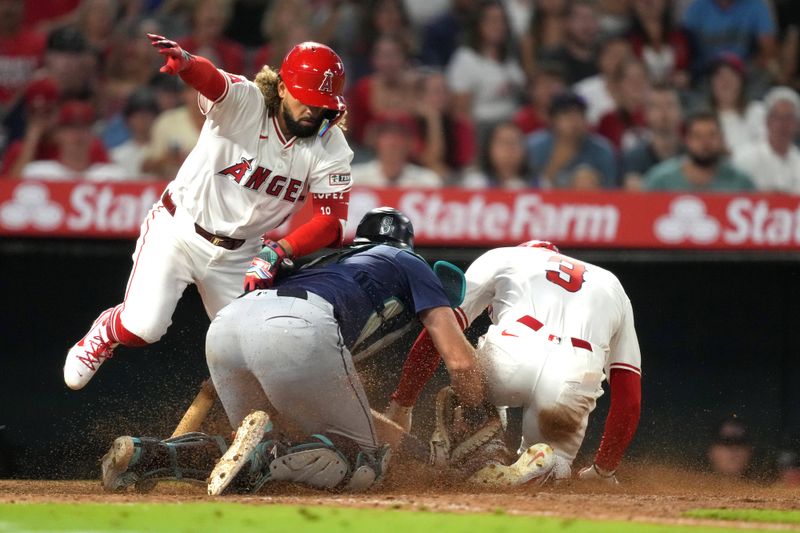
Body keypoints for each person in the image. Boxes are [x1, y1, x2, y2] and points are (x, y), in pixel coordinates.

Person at [100, 208, 496, 494]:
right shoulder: (407, 261)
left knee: (274, 439)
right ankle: (266, 459)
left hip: (228, 325)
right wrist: (473, 416)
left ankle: (149, 456)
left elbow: (349, 407)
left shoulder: (325, 262)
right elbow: (460, 362)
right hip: (299, 329)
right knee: (366, 463)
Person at [62, 37, 355, 390]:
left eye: (322, 103)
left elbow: (330, 222)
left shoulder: (330, 144)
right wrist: (187, 64)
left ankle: (249, 432)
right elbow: (213, 81)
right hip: (181, 230)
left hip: (244, 252)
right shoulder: (247, 102)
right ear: (281, 87)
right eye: (306, 99)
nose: (313, 110)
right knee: (144, 327)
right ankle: (107, 329)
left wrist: (279, 250)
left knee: (256, 354)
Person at [386, 240, 642, 485]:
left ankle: (480, 453)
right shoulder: (612, 284)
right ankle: (548, 471)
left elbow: (441, 330)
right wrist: (603, 470)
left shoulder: (504, 255)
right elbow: (629, 398)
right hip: (575, 373)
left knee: (464, 367)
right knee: (550, 465)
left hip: (512, 349)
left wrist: (403, 403)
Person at [445, 1, 524, 131]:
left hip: (513, 125)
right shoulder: (466, 59)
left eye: (502, 20)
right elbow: (461, 112)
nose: (499, 26)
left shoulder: (510, 56)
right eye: (492, 20)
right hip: (482, 129)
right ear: (478, 24)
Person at [644, 110, 755, 191]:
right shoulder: (660, 180)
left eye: (712, 135)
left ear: (721, 139)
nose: (705, 142)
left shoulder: (741, 182)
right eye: (697, 136)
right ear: (687, 140)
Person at [527, 92, 617, 189]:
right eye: (566, 114)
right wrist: (555, 163)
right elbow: (527, 186)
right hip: (547, 202)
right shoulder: (535, 146)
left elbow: (611, 190)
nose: (574, 120)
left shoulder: (601, 149)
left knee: (584, 176)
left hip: (587, 203)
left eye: (579, 114)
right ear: (553, 120)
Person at [21, 100, 127, 181]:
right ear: (57, 135)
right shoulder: (38, 174)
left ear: (92, 135)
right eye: (70, 128)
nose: (78, 135)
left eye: (83, 127)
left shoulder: (112, 176)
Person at [681, 0, 778, 78]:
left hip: (744, 73)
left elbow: (768, 49)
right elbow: (682, 45)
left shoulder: (755, 5)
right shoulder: (698, 6)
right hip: (705, 74)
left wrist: (751, 67)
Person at [733, 86, 800, 194]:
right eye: (777, 117)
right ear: (767, 122)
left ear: (797, 125)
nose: (783, 124)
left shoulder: (798, 160)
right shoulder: (744, 158)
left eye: (789, 118)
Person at [621, 84, 684, 190]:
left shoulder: (692, 156)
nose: (664, 112)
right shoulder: (634, 158)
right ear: (646, 114)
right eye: (656, 106)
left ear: (680, 111)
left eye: (669, 105)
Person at [351, 117, 442, 187]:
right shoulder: (355, 178)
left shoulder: (427, 182)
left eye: (400, 136)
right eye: (386, 136)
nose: (393, 142)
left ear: (410, 143)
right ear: (375, 141)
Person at [707, 53, 766, 152]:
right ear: (711, 83)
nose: (725, 82)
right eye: (719, 76)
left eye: (731, 76)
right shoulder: (703, 118)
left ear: (741, 82)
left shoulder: (756, 112)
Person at [573, 35, 632, 127]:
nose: (619, 61)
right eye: (614, 55)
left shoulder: (643, 89)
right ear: (600, 59)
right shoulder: (583, 91)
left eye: (624, 56)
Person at [539, 0, 601, 85]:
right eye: (581, 19)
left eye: (592, 18)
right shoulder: (552, 59)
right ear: (566, 23)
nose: (588, 25)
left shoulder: (604, 57)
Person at [596, 58, 651, 151]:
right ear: (618, 84)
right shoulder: (608, 121)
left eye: (641, 77)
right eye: (629, 78)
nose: (637, 83)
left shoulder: (664, 115)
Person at [462, 121, 530, 189]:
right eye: (503, 142)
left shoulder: (536, 184)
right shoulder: (475, 184)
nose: (509, 148)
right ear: (489, 148)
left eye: (515, 142)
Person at [110, 88, 160, 179]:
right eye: (137, 113)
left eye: (148, 112)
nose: (142, 118)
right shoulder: (116, 155)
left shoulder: (163, 152)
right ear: (128, 119)